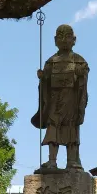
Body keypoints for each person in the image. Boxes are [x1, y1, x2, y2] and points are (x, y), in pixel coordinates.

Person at [31, 25, 89, 171]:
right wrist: (43, 77)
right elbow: (46, 81)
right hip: (54, 101)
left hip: (71, 100)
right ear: (55, 40)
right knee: (52, 128)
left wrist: (81, 74)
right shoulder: (51, 61)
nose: (64, 40)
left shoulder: (79, 60)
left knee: (71, 128)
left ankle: (72, 161)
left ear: (74, 40)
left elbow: (83, 81)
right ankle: (52, 161)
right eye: (60, 37)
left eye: (68, 37)